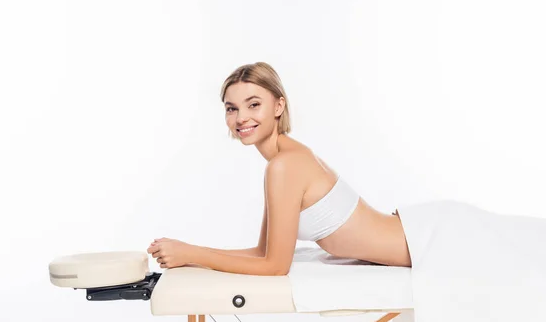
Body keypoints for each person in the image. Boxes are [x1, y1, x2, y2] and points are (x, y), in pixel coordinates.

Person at [147, 62, 411, 275]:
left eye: (253, 105)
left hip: (423, 247)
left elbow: (274, 267)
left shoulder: (285, 166)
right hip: (413, 239)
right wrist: (188, 252)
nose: (241, 118)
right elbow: (264, 253)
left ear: (278, 106)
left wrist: (189, 254)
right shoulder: (283, 160)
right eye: (232, 108)